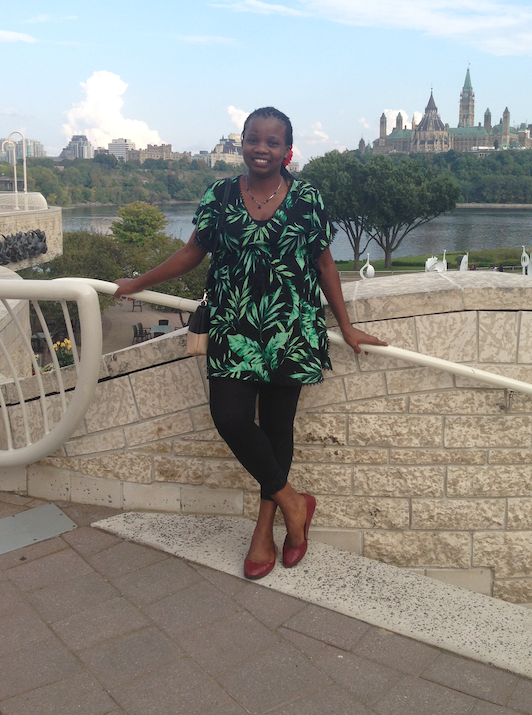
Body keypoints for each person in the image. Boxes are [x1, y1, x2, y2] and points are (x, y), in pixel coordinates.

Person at [114, 107, 386, 580]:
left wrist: (345, 325)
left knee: (278, 429)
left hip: (290, 330)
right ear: (241, 143)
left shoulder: (307, 198)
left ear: (287, 150)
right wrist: (138, 282)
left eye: (272, 141)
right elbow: (193, 251)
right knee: (231, 418)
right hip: (233, 328)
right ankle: (293, 505)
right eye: (253, 138)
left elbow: (325, 266)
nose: (262, 147)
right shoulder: (220, 195)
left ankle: (265, 528)